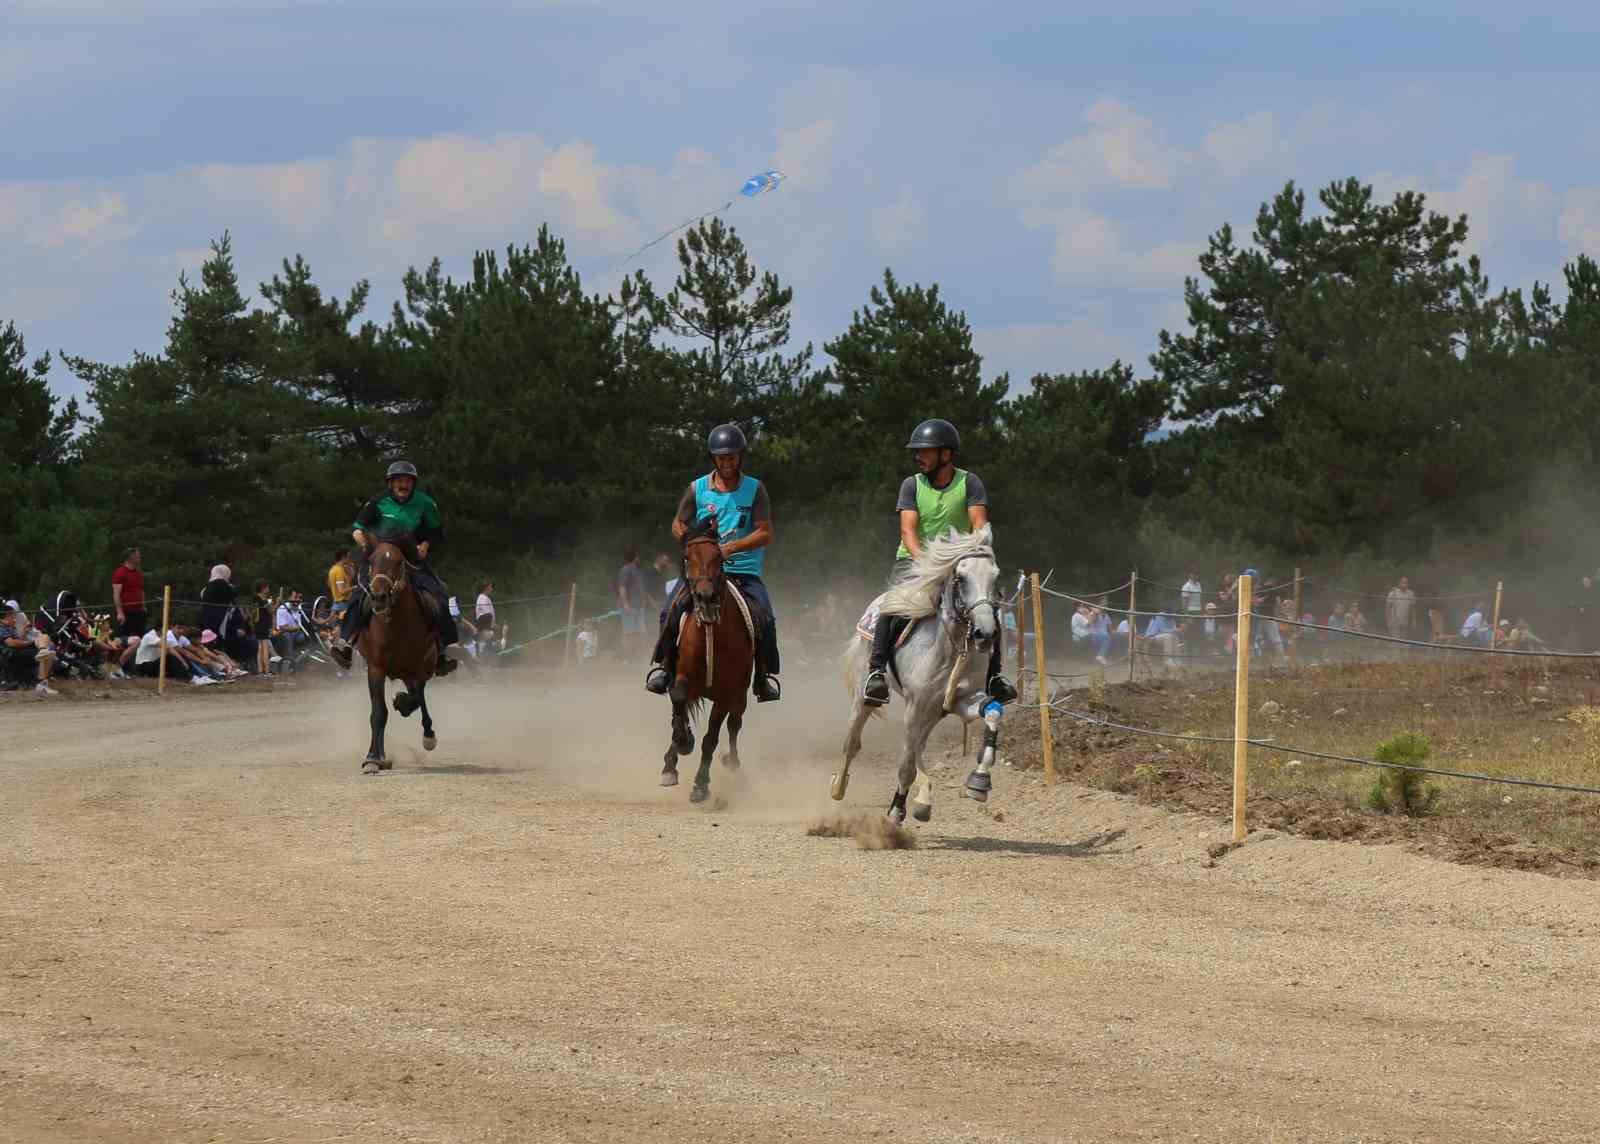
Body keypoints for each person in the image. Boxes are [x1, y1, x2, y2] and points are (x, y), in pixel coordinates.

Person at [861, 419, 1016, 707]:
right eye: (917, 451)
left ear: (946, 454)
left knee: (988, 607)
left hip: (960, 564)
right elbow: (908, 532)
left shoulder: (970, 482)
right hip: (914, 562)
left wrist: (967, 561)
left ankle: (994, 677)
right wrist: (928, 564)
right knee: (893, 605)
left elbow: (979, 527)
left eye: (925, 451)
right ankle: (876, 672)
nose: (918, 456)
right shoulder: (911, 485)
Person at [644, 423, 782, 702]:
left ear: (740, 457)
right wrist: (691, 542)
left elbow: (766, 532)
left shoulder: (755, 489)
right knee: (668, 610)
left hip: (742, 573)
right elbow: (678, 522)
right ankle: (664, 668)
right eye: (721, 457)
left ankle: (763, 677)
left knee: (765, 618)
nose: (727, 462)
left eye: (731, 457)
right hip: (702, 574)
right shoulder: (697, 488)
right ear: (713, 459)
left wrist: (733, 547)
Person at [329, 460, 459, 675]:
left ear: (413, 484)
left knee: (438, 593)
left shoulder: (425, 503)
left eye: (407, 481)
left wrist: (425, 545)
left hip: (410, 556)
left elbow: (437, 531)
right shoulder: (378, 501)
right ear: (391, 483)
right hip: (379, 557)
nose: (403, 485)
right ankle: (346, 644)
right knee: (360, 595)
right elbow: (357, 528)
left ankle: (445, 649)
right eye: (398, 480)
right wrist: (365, 545)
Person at [1, 606, 57, 695]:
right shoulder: (1, 627)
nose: (15, 618)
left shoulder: (10, 627)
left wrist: (25, 632)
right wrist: (31, 643)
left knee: (45, 639)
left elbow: (18, 641)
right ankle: (41, 684)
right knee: (46, 652)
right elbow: (11, 643)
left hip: (18, 651)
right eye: (13, 615)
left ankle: (43, 651)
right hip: (11, 656)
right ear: (8, 615)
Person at [111, 547, 147, 639]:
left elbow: (141, 590)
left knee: (140, 637)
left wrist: (143, 606)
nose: (139, 558)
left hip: (139, 611)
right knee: (125, 638)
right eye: (137, 556)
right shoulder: (120, 573)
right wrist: (120, 612)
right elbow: (116, 594)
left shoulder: (138, 573)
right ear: (131, 558)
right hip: (126, 612)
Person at [618, 550, 648, 659]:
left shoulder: (637, 571)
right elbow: (622, 587)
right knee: (628, 633)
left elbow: (639, 587)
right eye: (637, 556)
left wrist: (644, 600)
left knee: (640, 632)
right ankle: (627, 658)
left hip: (638, 606)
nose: (639, 559)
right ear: (635, 558)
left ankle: (638, 656)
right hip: (629, 607)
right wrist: (626, 604)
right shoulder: (625, 569)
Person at [327, 550, 356, 621]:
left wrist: (350, 567)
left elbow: (329, 584)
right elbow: (341, 591)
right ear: (343, 557)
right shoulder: (339, 571)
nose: (350, 559)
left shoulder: (333, 569)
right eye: (348, 557)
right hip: (343, 604)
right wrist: (355, 587)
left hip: (337, 603)